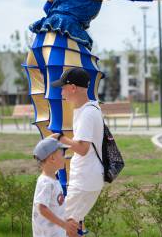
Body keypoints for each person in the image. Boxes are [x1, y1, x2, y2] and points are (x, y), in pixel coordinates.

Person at [24, 0, 162, 190]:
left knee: (57, 108)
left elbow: (47, 8)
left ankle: (59, 183)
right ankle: (66, 189)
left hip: (40, 42)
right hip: (63, 42)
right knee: (70, 111)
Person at [49, 67, 104, 237]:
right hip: (88, 177)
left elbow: (82, 148)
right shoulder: (89, 108)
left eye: (63, 88)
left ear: (73, 88)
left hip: (84, 180)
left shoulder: (87, 114)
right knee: (70, 225)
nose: (61, 92)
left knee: (63, 225)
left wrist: (60, 139)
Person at [32, 137, 76, 237]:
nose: (65, 157)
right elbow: (42, 208)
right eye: (62, 154)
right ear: (52, 158)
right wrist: (64, 225)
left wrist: (67, 222)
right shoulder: (45, 182)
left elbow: (56, 207)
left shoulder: (53, 181)